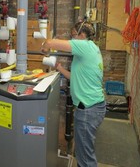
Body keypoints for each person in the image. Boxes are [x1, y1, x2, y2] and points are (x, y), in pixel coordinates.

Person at [41, 21, 106, 167]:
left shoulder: (85, 46)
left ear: (82, 35)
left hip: (88, 110)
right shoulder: (91, 49)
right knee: (84, 152)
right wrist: (59, 68)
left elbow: (51, 42)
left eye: (73, 36)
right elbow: (75, 77)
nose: (72, 39)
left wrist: (46, 46)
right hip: (92, 107)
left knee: (85, 158)